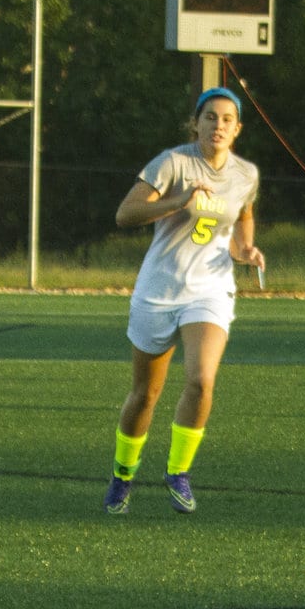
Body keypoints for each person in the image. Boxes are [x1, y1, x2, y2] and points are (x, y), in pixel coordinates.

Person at [103, 87, 265, 515]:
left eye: (227, 119)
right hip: (158, 290)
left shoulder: (245, 174)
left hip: (209, 290)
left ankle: (178, 472)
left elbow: (242, 216)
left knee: (201, 380)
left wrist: (246, 250)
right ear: (195, 123)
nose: (218, 125)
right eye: (210, 117)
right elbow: (125, 214)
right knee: (145, 395)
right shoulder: (172, 163)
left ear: (238, 129)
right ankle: (123, 475)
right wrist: (179, 201)